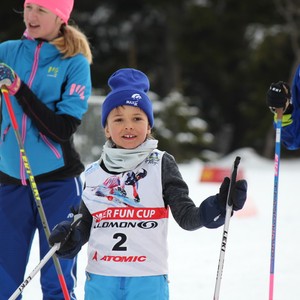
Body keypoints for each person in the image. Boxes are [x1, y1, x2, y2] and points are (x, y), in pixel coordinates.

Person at [49, 68, 247, 300]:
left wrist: (218, 206)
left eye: (137, 118)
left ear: (149, 125)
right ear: (106, 128)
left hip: (147, 279)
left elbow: (187, 217)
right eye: (119, 119)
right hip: (101, 279)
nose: (128, 126)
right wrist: (69, 237)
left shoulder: (161, 164)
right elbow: (85, 224)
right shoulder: (93, 172)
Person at [0, 0, 92, 299]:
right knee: (4, 282)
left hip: (57, 183)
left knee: (57, 281)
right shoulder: (7, 52)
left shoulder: (74, 61)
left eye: (41, 9)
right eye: (28, 7)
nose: (31, 16)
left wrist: (20, 90)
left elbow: (61, 129)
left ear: (60, 16)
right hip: (9, 181)